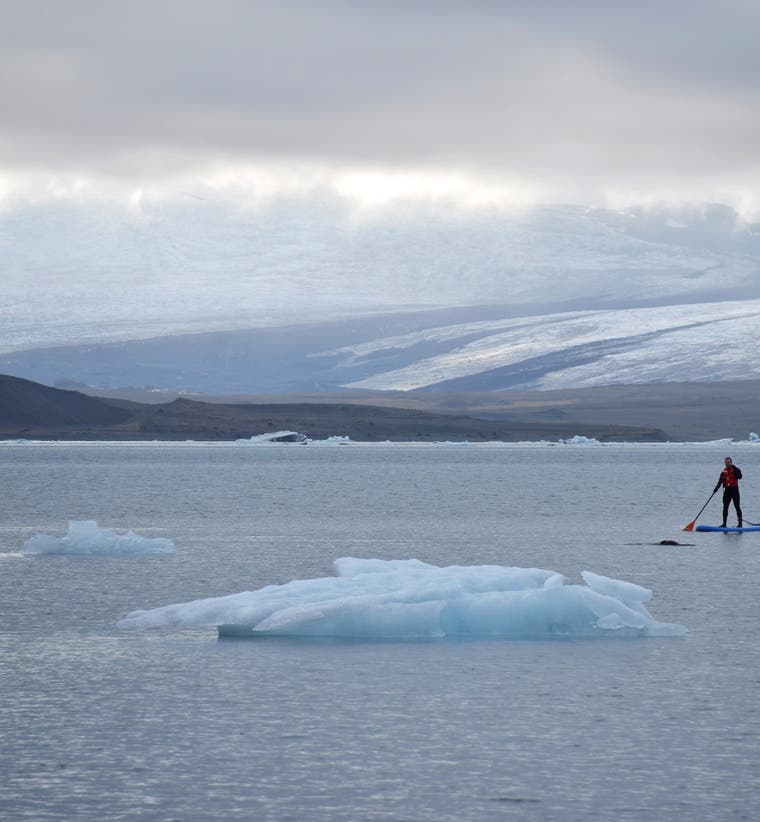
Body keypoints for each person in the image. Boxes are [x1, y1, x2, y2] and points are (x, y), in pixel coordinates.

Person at [714, 456, 743, 527]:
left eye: (728, 462)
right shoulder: (723, 472)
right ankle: (724, 524)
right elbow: (720, 481)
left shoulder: (736, 470)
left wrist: (735, 468)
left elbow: (740, 477)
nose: (727, 463)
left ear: (731, 462)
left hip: (734, 490)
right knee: (725, 507)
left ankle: (740, 524)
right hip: (727, 491)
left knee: (737, 507)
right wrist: (716, 488)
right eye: (726, 462)